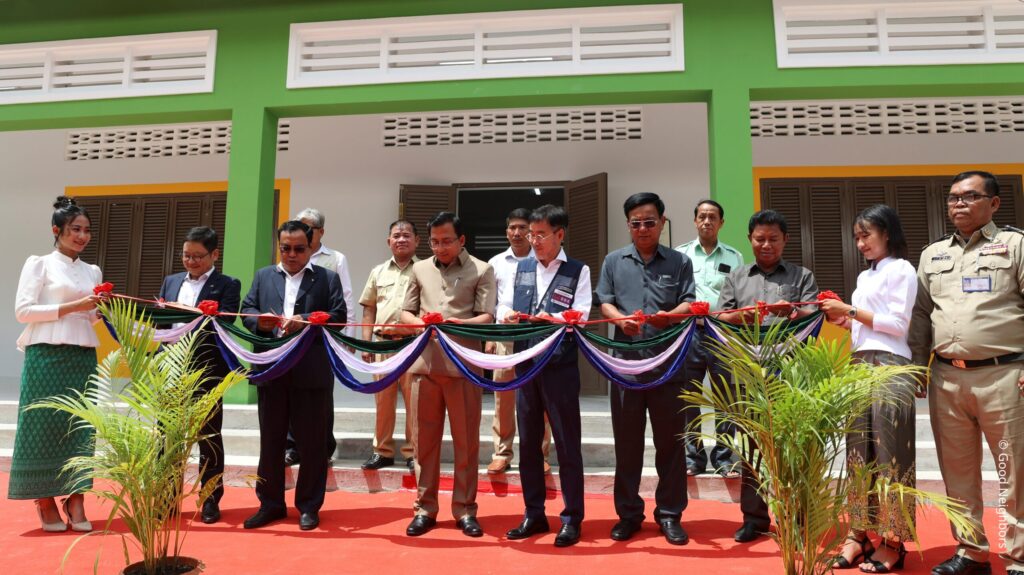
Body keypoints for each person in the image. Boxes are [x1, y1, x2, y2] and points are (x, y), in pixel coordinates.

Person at [909, 170, 1024, 575]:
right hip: (947, 376)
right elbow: (922, 316)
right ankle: (971, 551)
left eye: (970, 197)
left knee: (1014, 471)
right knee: (956, 472)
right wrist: (917, 366)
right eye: (953, 197)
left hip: (1006, 375)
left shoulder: (1015, 246)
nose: (958, 204)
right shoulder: (933, 254)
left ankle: (1018, 558)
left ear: (993, 204)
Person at [819, 205, 917, 572]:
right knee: (859, 454)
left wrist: (851, 310)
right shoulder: (864, 277)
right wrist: (845, 321)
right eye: (857, 237)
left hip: (891, 366)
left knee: (892, 457)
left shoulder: (903, 269)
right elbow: (867, 328)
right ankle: (858, 534)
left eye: (867, 235)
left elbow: (897, 324)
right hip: (860, 363)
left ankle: (893, 541)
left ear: (887, 233)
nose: (860, 243)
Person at [595, 192, 695, 546]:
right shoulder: (613, 261)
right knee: (627, 446)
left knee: (670, 446)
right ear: (628, 226)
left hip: (669, 367)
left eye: (650, 221)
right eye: (636, 223)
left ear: (662, 223)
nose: (643, 228)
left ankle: (669, 515)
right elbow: (604, 301)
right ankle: (628, 515)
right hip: (625, 368)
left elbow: (689, 301)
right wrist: (620, 321)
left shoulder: (680, 262)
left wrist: (671, 316)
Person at [716, 209, 819, 544]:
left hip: (791, 372)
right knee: (752, 448)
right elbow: (723, 315)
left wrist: (790, 312)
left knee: (793, 447)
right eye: (760, 238)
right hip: (749, 373)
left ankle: (797, 521)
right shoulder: (736, 276)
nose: (766, 244)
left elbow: (814, 313)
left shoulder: (802, 276)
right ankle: (755, 519)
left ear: (785, 240)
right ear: (749, 240)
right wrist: (749, 315)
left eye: (773, 238)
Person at [240, 220, 346, 531]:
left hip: (311, 371)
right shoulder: (264, 276)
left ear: (311, 247)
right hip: (271, 369)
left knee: (312, 443)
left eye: (299, 249)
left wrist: (308, 320)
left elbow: (339, 316)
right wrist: (261, 323)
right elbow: (247, 311)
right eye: (285, 248)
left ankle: (309, 506)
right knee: (271, 441)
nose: (291, 254)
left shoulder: (326, 279)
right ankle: (270, 504)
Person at [499, 204, 591, 547]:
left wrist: (553, 318)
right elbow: (504, 305)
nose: (534, 241)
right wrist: (507, 314)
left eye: (541, 235)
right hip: (525, 364)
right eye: (531, 235)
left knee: (567, 444)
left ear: (560, 235)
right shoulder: (521, 268)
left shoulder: (577, 270)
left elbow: (580, 314)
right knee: (529, 445)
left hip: (560, 368)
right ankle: (534, 513)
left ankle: (572, 517)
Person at [400, 212, 496, 538]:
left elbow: (487, 316)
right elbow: (405, 312)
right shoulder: (419, 268)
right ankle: (424, 508)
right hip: (423, 366)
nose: (440, 248)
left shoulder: (481, 270)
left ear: (462, 240)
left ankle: (465, 510)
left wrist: (458, 326)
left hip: (463, 368)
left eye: (447, 241)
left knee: (466, 443)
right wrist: (421, 325)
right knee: (424, 443)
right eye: (435, 242)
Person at [10, 196, 103, 533]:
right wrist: (74, 305)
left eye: (86, 230)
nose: (82, 236)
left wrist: (98, 311)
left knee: (81, 429)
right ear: (57, 230)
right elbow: (23, 311)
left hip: (82, 358)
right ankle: (44, 497)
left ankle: (76, 497)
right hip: (45, 356)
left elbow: (90, 319)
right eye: (75, 229)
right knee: (42, 426)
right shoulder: (39, 264)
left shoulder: (92, 270)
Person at [157, 226, 241, 524]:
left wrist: (186, 311)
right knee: (166, 438)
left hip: (207, 371)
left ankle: (209, 500)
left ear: (214, 254)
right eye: (186, 255)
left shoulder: (228, 285)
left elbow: (226, 321)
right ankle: (166, 500)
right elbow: (162, 321)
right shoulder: (171, 281)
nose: (190, 262)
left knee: (209, 438)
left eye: (197, 256)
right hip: (170, 370)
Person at [675, 199, 744, 478]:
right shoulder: (680, 255)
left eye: (712, 217)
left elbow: (738, 297)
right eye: (702, 216)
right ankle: (693, 459)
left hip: (721, 333)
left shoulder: (734, 256)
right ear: (695, 221)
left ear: (721, 222)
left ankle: (725, 459)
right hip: (688, 333)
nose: (707, 221)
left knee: (725, 397)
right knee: (689, 397)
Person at [285, 207, 354, 466]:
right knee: (290, 390)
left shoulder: (335, 259)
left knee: (321, 394)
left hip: (322, 339)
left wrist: (344, 337)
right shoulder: (288, 256)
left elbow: (345, 299)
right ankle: (292, 447)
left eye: (308, 228)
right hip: (291, 338)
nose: (302, 232)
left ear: (320, 232)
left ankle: (323, 446)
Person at [485, 208, 551, 475]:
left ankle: (539, 453)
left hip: (536, 336)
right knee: (504, 397)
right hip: (504, 336)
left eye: (523, 227)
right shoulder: (496, 262)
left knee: (539, 396)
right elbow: (491, 302)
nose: (517, 233)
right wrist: (490, 335)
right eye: (512, 227)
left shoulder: (544, 259)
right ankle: (502, 452)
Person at [359, 220, 420, 472]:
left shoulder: (425, 271)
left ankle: (412, 452)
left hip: (413, 344)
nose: (401, 239)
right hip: (382, 345)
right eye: (396, 235)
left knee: (414, 401)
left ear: (416, 240)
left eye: (407, 235)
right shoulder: (378, 271)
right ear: (388, 241)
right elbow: (368, 309)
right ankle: (382, 450)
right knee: (382, 401)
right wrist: (365, 343)